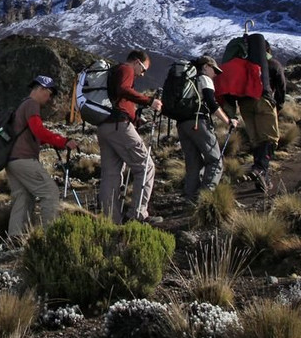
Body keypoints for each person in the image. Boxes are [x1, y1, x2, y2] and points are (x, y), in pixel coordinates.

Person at [5, 75, 78, 239]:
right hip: (24, 159)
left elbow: (34, 134)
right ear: (41, 88)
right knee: (50, 192)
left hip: (11, 160)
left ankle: (15, 238)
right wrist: (62, 141)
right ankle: (49, 236)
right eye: (49, 93)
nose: (49, 98)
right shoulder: (31, 104)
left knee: (23, 196)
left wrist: (48, 141)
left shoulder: (22, 105)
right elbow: (38, 130)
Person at [97, 50, 163, 224]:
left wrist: (135, 118)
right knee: (146, 166)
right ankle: (138, 215)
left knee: (110, 175)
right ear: (136, 62)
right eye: (143, 70)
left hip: (105, 126)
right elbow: (123, 90)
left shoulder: (114, 72)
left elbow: (119, 97)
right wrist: (149, 101)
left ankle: (111, 221)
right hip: (119, 125)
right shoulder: (126, 69)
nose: (142, 74)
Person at [217, 43, 280, 193]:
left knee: (256, 139)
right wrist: (279, 105)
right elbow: (281, 84)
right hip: (263, 101)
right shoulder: (270, 64)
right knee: (270, 138)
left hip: (245, 104)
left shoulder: (239, 64)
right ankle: (259, 169)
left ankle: (261, 173)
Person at [178, 55, 239, 203]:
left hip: (181, 123)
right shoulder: (204, 79)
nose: (215, 74)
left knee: (193, 163)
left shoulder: (185, 80)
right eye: (214, 70)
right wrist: (228, 121)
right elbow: (211, 103)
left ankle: (189, 196)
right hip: (199, 122)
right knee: (215, 161)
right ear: (206, 66)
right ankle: (203, 197)